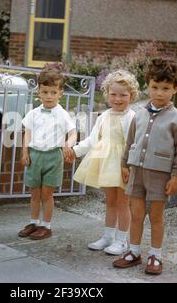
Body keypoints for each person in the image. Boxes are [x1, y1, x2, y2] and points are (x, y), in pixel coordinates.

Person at [113, 58, 177, 275]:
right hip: (137, 172)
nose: (159, 93)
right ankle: (134, 251)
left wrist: (176, 177)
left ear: (175, 88)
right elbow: (130, 142)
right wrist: (124, 165)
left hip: (160, 175)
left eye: (165, 88)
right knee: (136, 214)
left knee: (156, 216)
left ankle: (156, 254)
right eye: (154, 87)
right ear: (147, 85)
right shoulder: (138, 114)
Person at [68, 70, 138, 255]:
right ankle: (108, 236)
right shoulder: (104, 116)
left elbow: (136, 144)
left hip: (124, 166)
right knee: (110, 201)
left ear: (132, 96)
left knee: (123, 203)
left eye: (123, 95)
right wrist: (74, 151)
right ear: (107, 95)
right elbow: (92, 140)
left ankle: (121, 240)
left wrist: (130, 166)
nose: (117, 99)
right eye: (113, 94)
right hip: (107, 164)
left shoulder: (132, 117)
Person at [18, 67, 77, 240]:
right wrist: (25, 152)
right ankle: (34, 222)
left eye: (53, 92)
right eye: (45, 92)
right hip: (35, 156)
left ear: (60, 93)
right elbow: (27, 133)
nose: (49, 96)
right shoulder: (33, 113)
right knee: (34, 193)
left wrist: (68, 144)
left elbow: (73, 133)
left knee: (46, 194)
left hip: (53, 157)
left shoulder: (63, 114)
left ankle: (46, 225)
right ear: (39, 92)